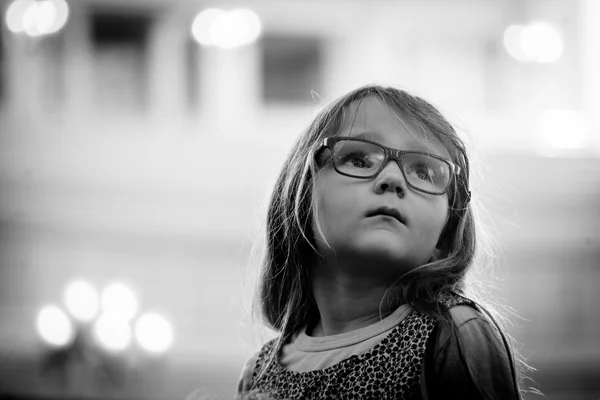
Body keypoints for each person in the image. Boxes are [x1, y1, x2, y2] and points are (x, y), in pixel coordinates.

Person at [237, 85, 528, 399]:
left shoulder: (452, 333)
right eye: (359, 158)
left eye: (425, 171)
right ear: (301, 196)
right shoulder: (259, 373)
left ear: (445, 234)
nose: (393, 179)